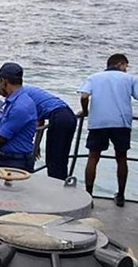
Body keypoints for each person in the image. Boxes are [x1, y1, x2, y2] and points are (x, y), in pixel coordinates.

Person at [78, 53, 138, 207]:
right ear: (121, 64)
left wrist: (85, 112)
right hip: (121, 122)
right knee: (121, 158)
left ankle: (89, 196)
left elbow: (84, 96)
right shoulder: (130, 79)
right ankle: (121, 196)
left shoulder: (94, 77)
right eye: (126, 66)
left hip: (99, 122)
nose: (126, 69)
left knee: (93, 158)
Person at [17, 84, 78, 180]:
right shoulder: (30, 90)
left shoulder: (21, 95)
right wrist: (36, 146)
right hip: (69, 115)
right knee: (61, 157)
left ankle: (56, 188)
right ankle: (62, 185)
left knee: (53, 160)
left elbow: (36, 122)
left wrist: (34, 146)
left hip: (58, 117)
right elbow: (40, 121)